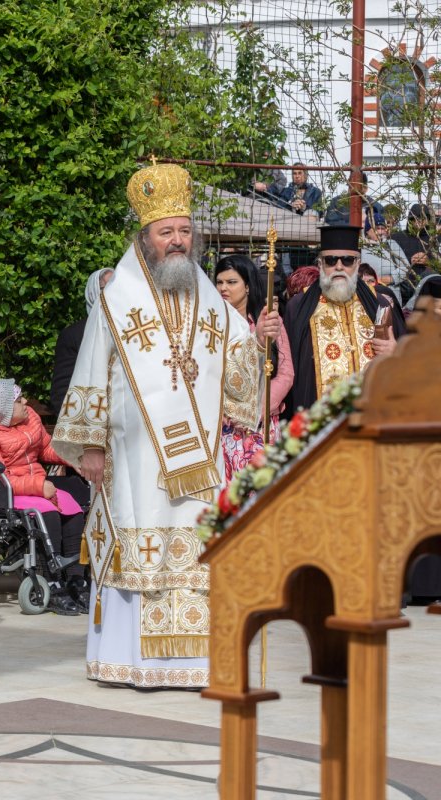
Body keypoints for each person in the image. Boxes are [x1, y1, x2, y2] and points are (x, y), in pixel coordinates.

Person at [52, 162, 274, 689]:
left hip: (198, 462)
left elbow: (240, 379)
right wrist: (90, 445)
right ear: (145, 237)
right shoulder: (115, 299)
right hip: (134, 455)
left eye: (184, 230)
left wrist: (258, 341)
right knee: (137, 545)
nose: (177, 240)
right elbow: (90, 375)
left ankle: (194, 664)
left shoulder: (213, 303)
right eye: (165, 231)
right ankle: (132, 661)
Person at [0, 378, 85, 614]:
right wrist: (38, 486)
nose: (26, 402)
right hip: (9, 492)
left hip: (37, 486)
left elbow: (46, 447)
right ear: (4, 411)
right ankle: (51, 582)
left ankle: (75, 581)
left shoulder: (30, 417)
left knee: (74, 510)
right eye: (19, 400)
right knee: (48, 515)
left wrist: (74, 458)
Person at [284, 224, 406, 412]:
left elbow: (411, 363)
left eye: (348, 260)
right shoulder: (298, 308)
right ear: (320, 264)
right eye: (331, 260)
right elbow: (283, 367)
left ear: (357, 264)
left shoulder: (381, 304)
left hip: (372, 418)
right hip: (318, 424)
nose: (339, 267)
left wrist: (396, 353)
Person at [213, 255, 293, 476]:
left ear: (247, 286)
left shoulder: (267, 320)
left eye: (231, 282)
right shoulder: (211, 326)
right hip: (224, 426)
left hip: (260, 423)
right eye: (219, 282)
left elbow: (286, 374)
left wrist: (256, 408)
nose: (223, 288)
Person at [50, 269, 113, 413]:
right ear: (93, 293)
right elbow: (61, 393)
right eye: (106, 288)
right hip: (90, 419)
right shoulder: (73, 335)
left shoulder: (131, 330)